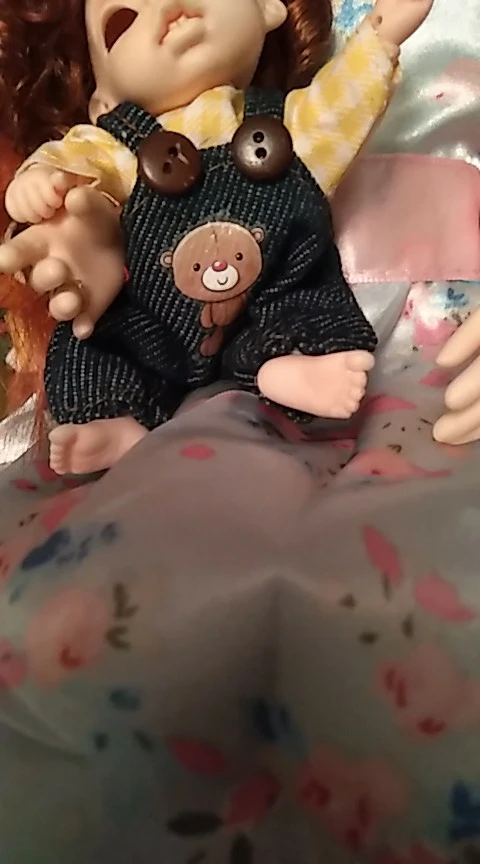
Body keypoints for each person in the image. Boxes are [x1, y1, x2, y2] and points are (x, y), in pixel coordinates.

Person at [0, 0, 434, 474]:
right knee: (93, 341)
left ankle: (286, 364)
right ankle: (116, 421)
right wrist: (41, 185)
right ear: (103, 99)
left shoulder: (287, 123)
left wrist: (378, 37)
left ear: (267, 9)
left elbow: (340, 104)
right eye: (123, 20)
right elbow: (68, 164)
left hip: (271, 295)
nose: (167, 7)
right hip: (155, 323)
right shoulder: (114, 146)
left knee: (308, 294)